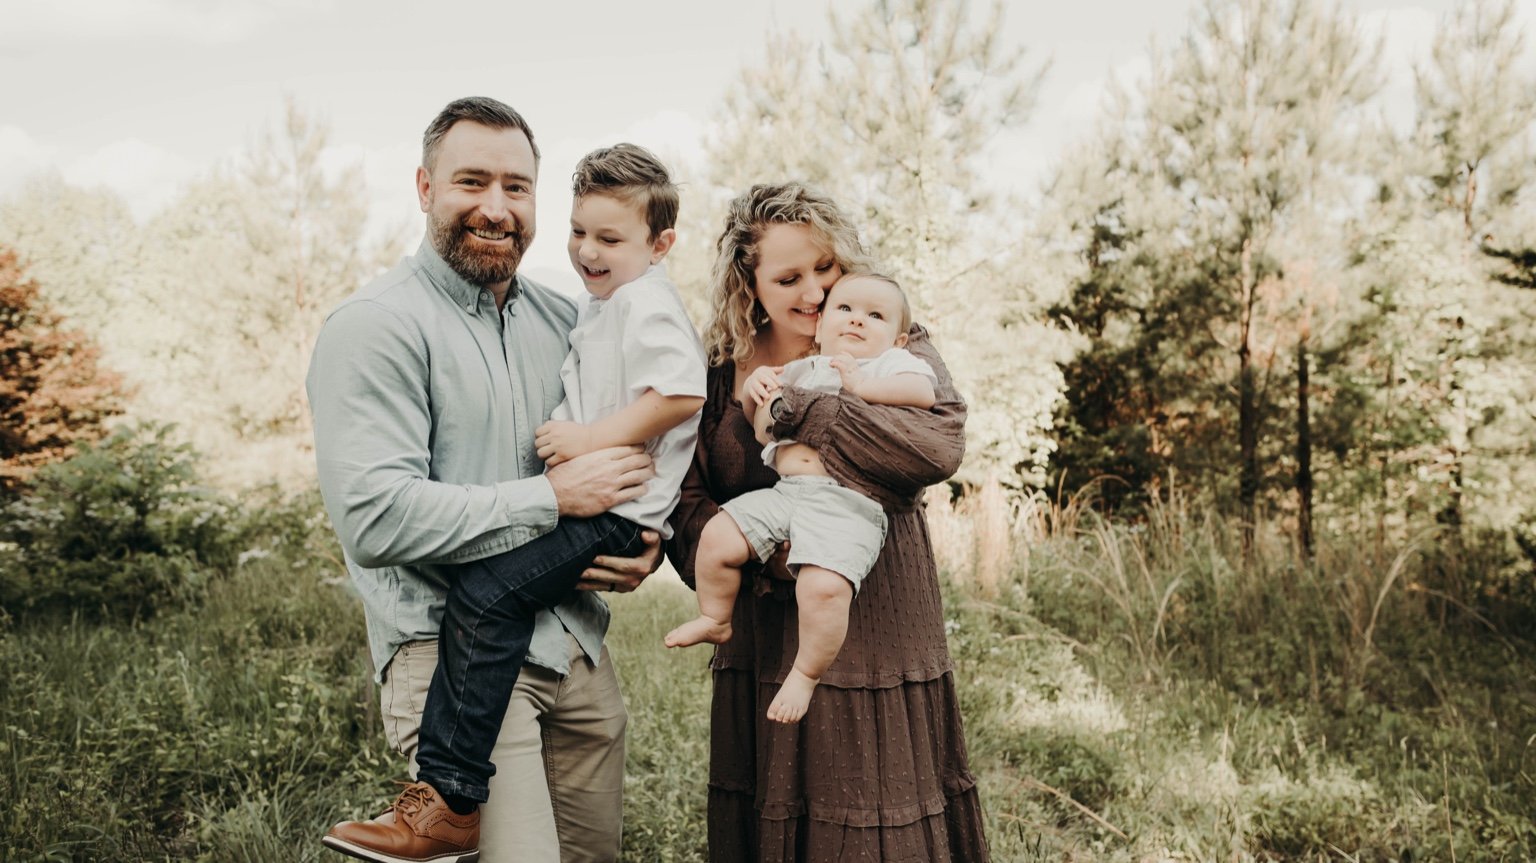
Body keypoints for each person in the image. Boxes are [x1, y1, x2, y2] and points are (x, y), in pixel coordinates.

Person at [308, 98, 663, 863]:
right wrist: (552, 498)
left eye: (518, 187)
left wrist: (650, 546)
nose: (497, 208)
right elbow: (375, 519)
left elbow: (643, 433)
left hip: (573, 646)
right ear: (425, 187)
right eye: (472, 181)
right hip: (452, 657)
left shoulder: (570, 319)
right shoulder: (374, 327)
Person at [664, 182, 991, 861]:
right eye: (788, 277)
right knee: (773, 798)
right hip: (761, 622)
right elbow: (687, 495)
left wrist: (799, 405)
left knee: (867, 799)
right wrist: (760, 556)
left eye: (825, 268)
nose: (815, 292)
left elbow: (936, 445)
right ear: (749, 285)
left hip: (872, 608)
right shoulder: (722, 365)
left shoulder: (885, 330)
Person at [665, 273, 937, 726]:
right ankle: (715, 617)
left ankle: (805, 673)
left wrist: (863, 386)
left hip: (847, 502)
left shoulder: (891, 367)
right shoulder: (803, 370)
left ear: (899, 338)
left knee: (823, 587)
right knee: (718, 536)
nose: (857, 321)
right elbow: (762, 431)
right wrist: (756, 400)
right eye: (845, 310)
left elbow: (924, 395)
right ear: (822, 321)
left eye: (875, 316)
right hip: (787, 491)